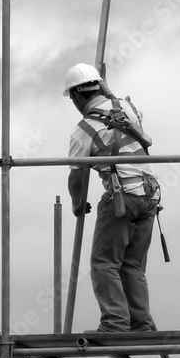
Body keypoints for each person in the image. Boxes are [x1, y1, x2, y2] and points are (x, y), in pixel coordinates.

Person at [63, 62, 161, 332]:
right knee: (133, 267)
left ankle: (115, 325)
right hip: (150, 195)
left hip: (122, 197)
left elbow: (77, 176)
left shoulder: (84, 128)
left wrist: (77, 204)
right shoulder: (128, 109)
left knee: (104, 263)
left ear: (75, 96)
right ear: (100, 87)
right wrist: (109, 92)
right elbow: (120, 106)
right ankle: (142, 327)